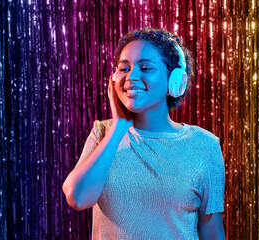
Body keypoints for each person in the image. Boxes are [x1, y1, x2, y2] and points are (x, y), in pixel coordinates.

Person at [62, 27, 226, 239]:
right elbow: (77, 197)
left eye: (146, 68)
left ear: (175, 81)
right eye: (124, 68)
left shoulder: (205, 145)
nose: (131, 77)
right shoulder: (103, 133)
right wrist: (119, 127)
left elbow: (211, 231)